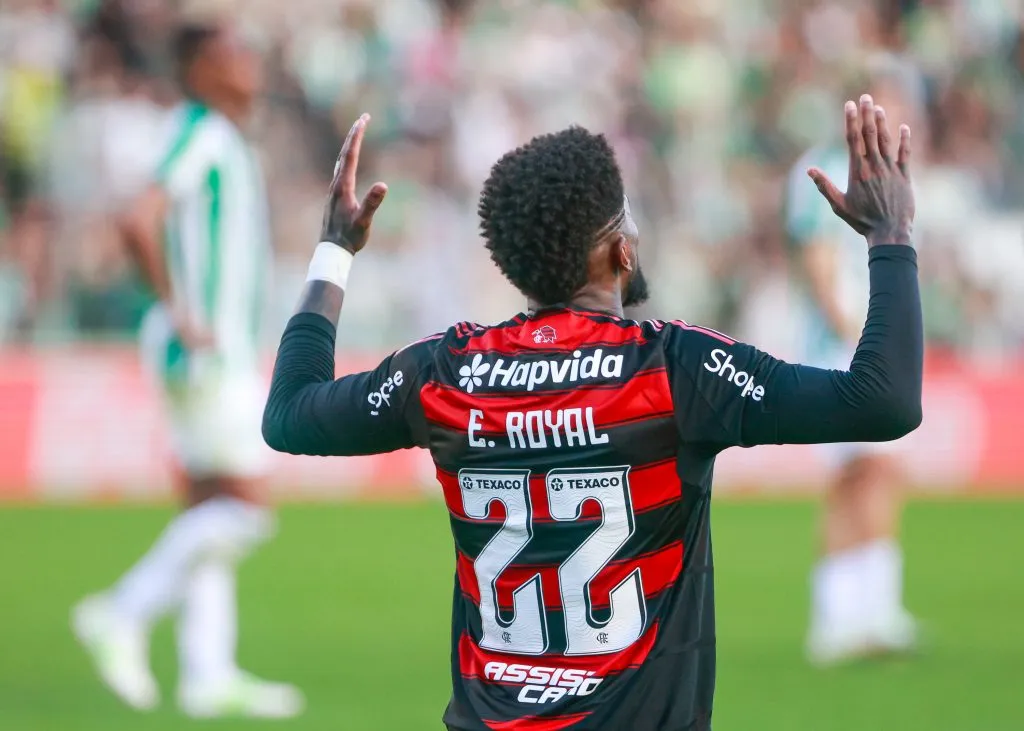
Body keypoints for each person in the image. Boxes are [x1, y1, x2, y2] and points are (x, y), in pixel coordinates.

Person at [263, 94, 920, 730]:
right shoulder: (671, 370)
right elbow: (882, 401)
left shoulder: (445, 372)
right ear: (618, 250)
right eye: (627, 218)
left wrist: (334, 250)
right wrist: (889, 237)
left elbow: (289, 415)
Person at [72, 22, 303, 719]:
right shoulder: (198, 129)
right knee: (245, 509)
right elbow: (139, 215)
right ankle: (121, 610)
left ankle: (207, 673)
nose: (248, 62)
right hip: (205, 349)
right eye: (233, 52)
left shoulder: (222, 136)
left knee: (208, 505)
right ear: (200, 67)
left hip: (210, 346)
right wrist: (181, 311)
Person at [784, 57, 926, 665]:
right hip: (844, 346)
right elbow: (816, 257)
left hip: (877, 339)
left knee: (879, 475)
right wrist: (857, 333)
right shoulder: (818, 166)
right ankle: (838, 617)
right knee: (852, 478)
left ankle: (875, 611)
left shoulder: (898, 174)